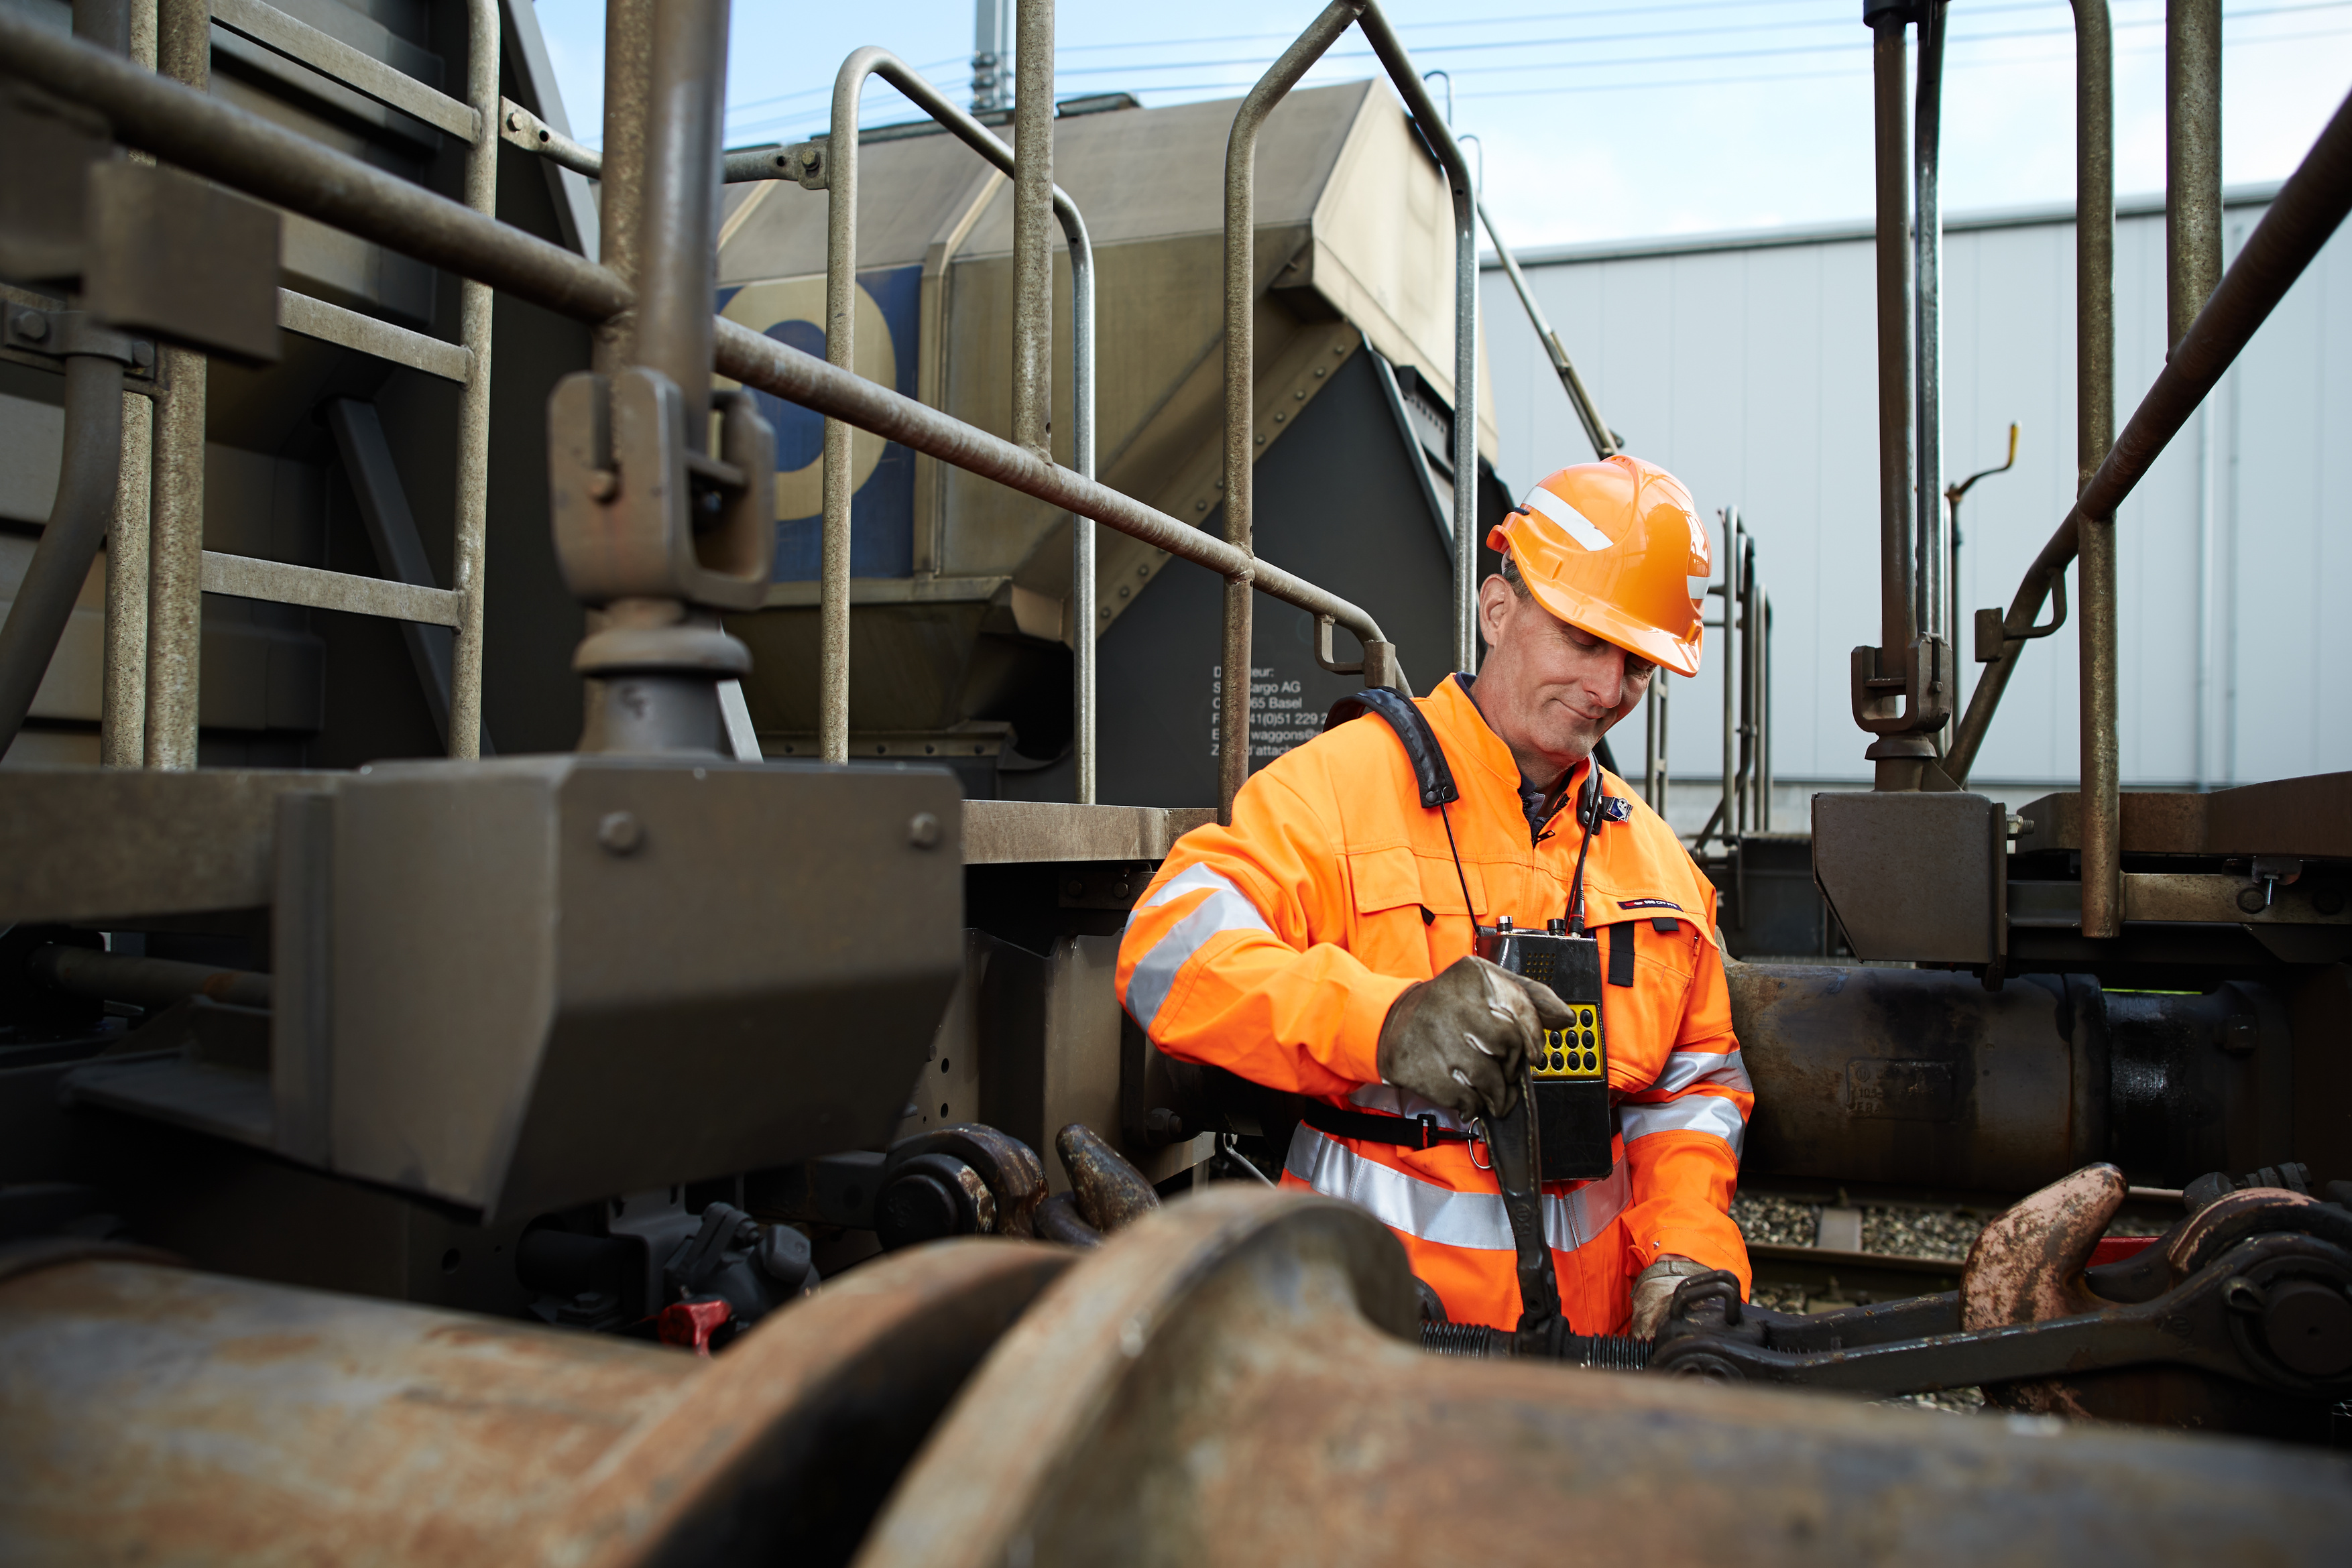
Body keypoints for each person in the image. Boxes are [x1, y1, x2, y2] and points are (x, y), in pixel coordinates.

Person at [1115, 454, 1751, 1336]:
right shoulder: (1342, 788)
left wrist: (1684, 1257)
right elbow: (1165, 956)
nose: (1609, 691)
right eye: (1583, 640)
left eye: (1640, 666)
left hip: (1584, 1364)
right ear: (1499, 610)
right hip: (1360, 1332)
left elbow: (1693, 1089)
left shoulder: (1660, 870)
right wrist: (1387, 1021)